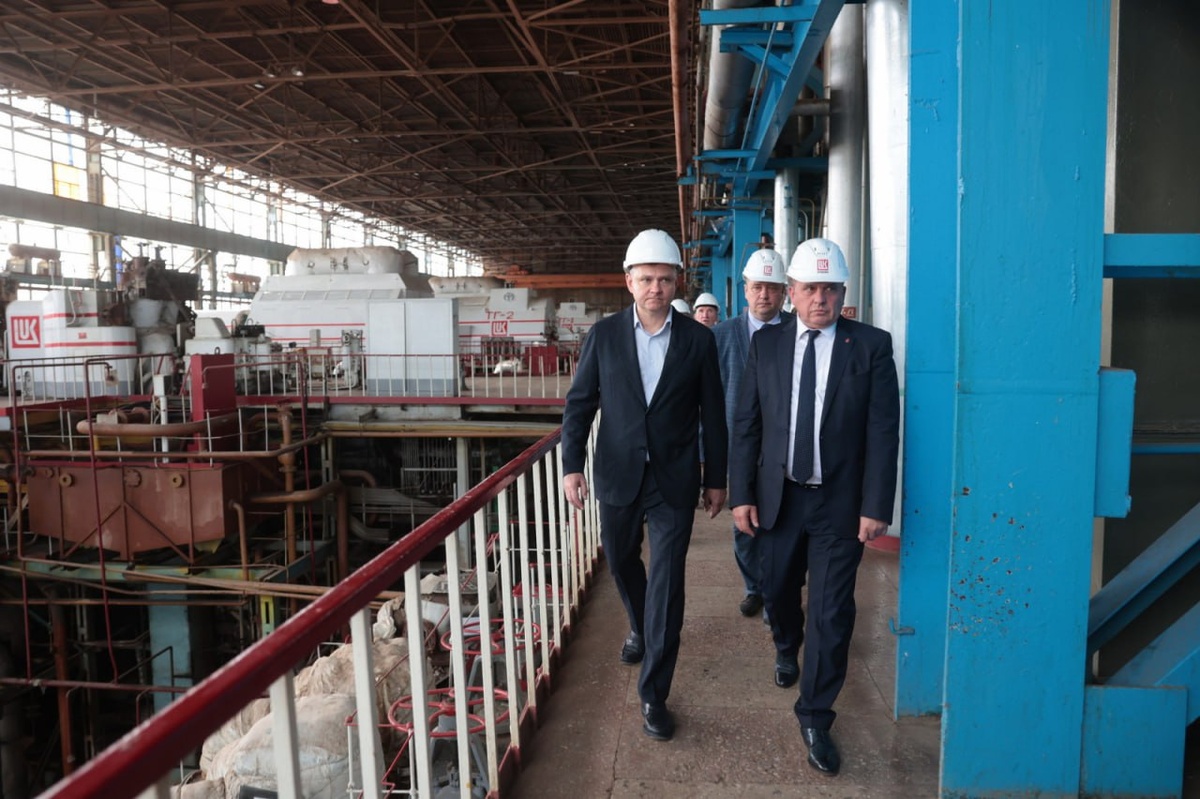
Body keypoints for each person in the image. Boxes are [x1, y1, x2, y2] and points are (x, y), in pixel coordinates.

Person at [729, 237, 899, 776]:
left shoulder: (870, 346)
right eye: (809, 288)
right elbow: (748, 423)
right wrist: (741, 494)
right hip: (779, 498)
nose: (820, 298)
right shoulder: (768, 344)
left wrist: (876, 504)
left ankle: (816, 715)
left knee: (831, 610)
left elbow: (883, 431)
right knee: (777, 589)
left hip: (839, 503)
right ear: (791, 292)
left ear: (843, 293)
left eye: (830, 289)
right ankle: (786, 644)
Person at [561, 228, 728, 743]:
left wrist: (716, 479)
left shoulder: (698, 340)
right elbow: (580, 404)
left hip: (674, 479)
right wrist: (571, 466)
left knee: (668, 584)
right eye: (647, 279)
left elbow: (713, 414)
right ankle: (639, 623)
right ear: (629, 282)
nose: (657, 288)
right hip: (618, 472)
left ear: (677, 282)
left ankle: (654, 693)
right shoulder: (604, 336)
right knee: (620, 558)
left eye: (665, 279)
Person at [712, 248, 790, 622]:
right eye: (757, 287)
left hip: (785, 449)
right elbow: (708, 399)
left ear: (785, 292)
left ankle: (778, 591)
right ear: (745, 289)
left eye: (772, 288)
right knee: (743, 524)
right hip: (737, 448)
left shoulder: (799, 332)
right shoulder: (721, 337)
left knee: (783, 523)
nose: (764, 295)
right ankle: (753, 588)